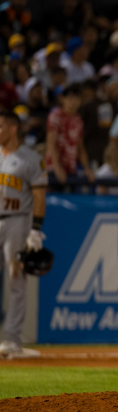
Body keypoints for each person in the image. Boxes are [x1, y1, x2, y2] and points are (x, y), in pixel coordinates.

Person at [0, 112, 47, 358]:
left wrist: (35, 229)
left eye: (0, 126)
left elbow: (40, 197)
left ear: (13, 127)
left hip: (17, 220)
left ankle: (12, 340)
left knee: (15, 278)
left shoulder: (31, 159)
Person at [45, 84, 94, 184]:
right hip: (54, 168)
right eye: (70, 98)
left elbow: (81, 148)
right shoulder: (55, 116)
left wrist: (87, 168)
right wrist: (57, 168)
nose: (73, 102)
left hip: (71, 168)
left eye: (76, 98)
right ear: (63, 99)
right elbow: (50, 143)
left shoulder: (78, 120)